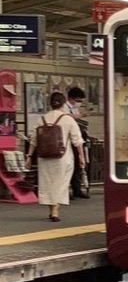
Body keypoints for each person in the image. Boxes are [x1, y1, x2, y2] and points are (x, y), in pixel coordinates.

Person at [26, 92, 85, 222]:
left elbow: (33, 140)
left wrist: (29, 156)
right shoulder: (68, 119)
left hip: (45, 157)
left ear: (50, 104)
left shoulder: (41, 119)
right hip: (63, 157)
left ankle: (51, 209)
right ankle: (55, 210)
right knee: (61, 183)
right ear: (63, 103)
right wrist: (82, 156)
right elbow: (77, 140)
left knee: (47, 183)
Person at [64, 86, 90, 197]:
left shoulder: (75, 108)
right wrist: (81, 115)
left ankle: (77, 189)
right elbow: (67, 117)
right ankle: (66, 190)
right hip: (67, 140)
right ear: (71, 98)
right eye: (78, 100)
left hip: (76, 138)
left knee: (78, 165)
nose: (79, 103)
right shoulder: (64, 107)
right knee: (68, 165)